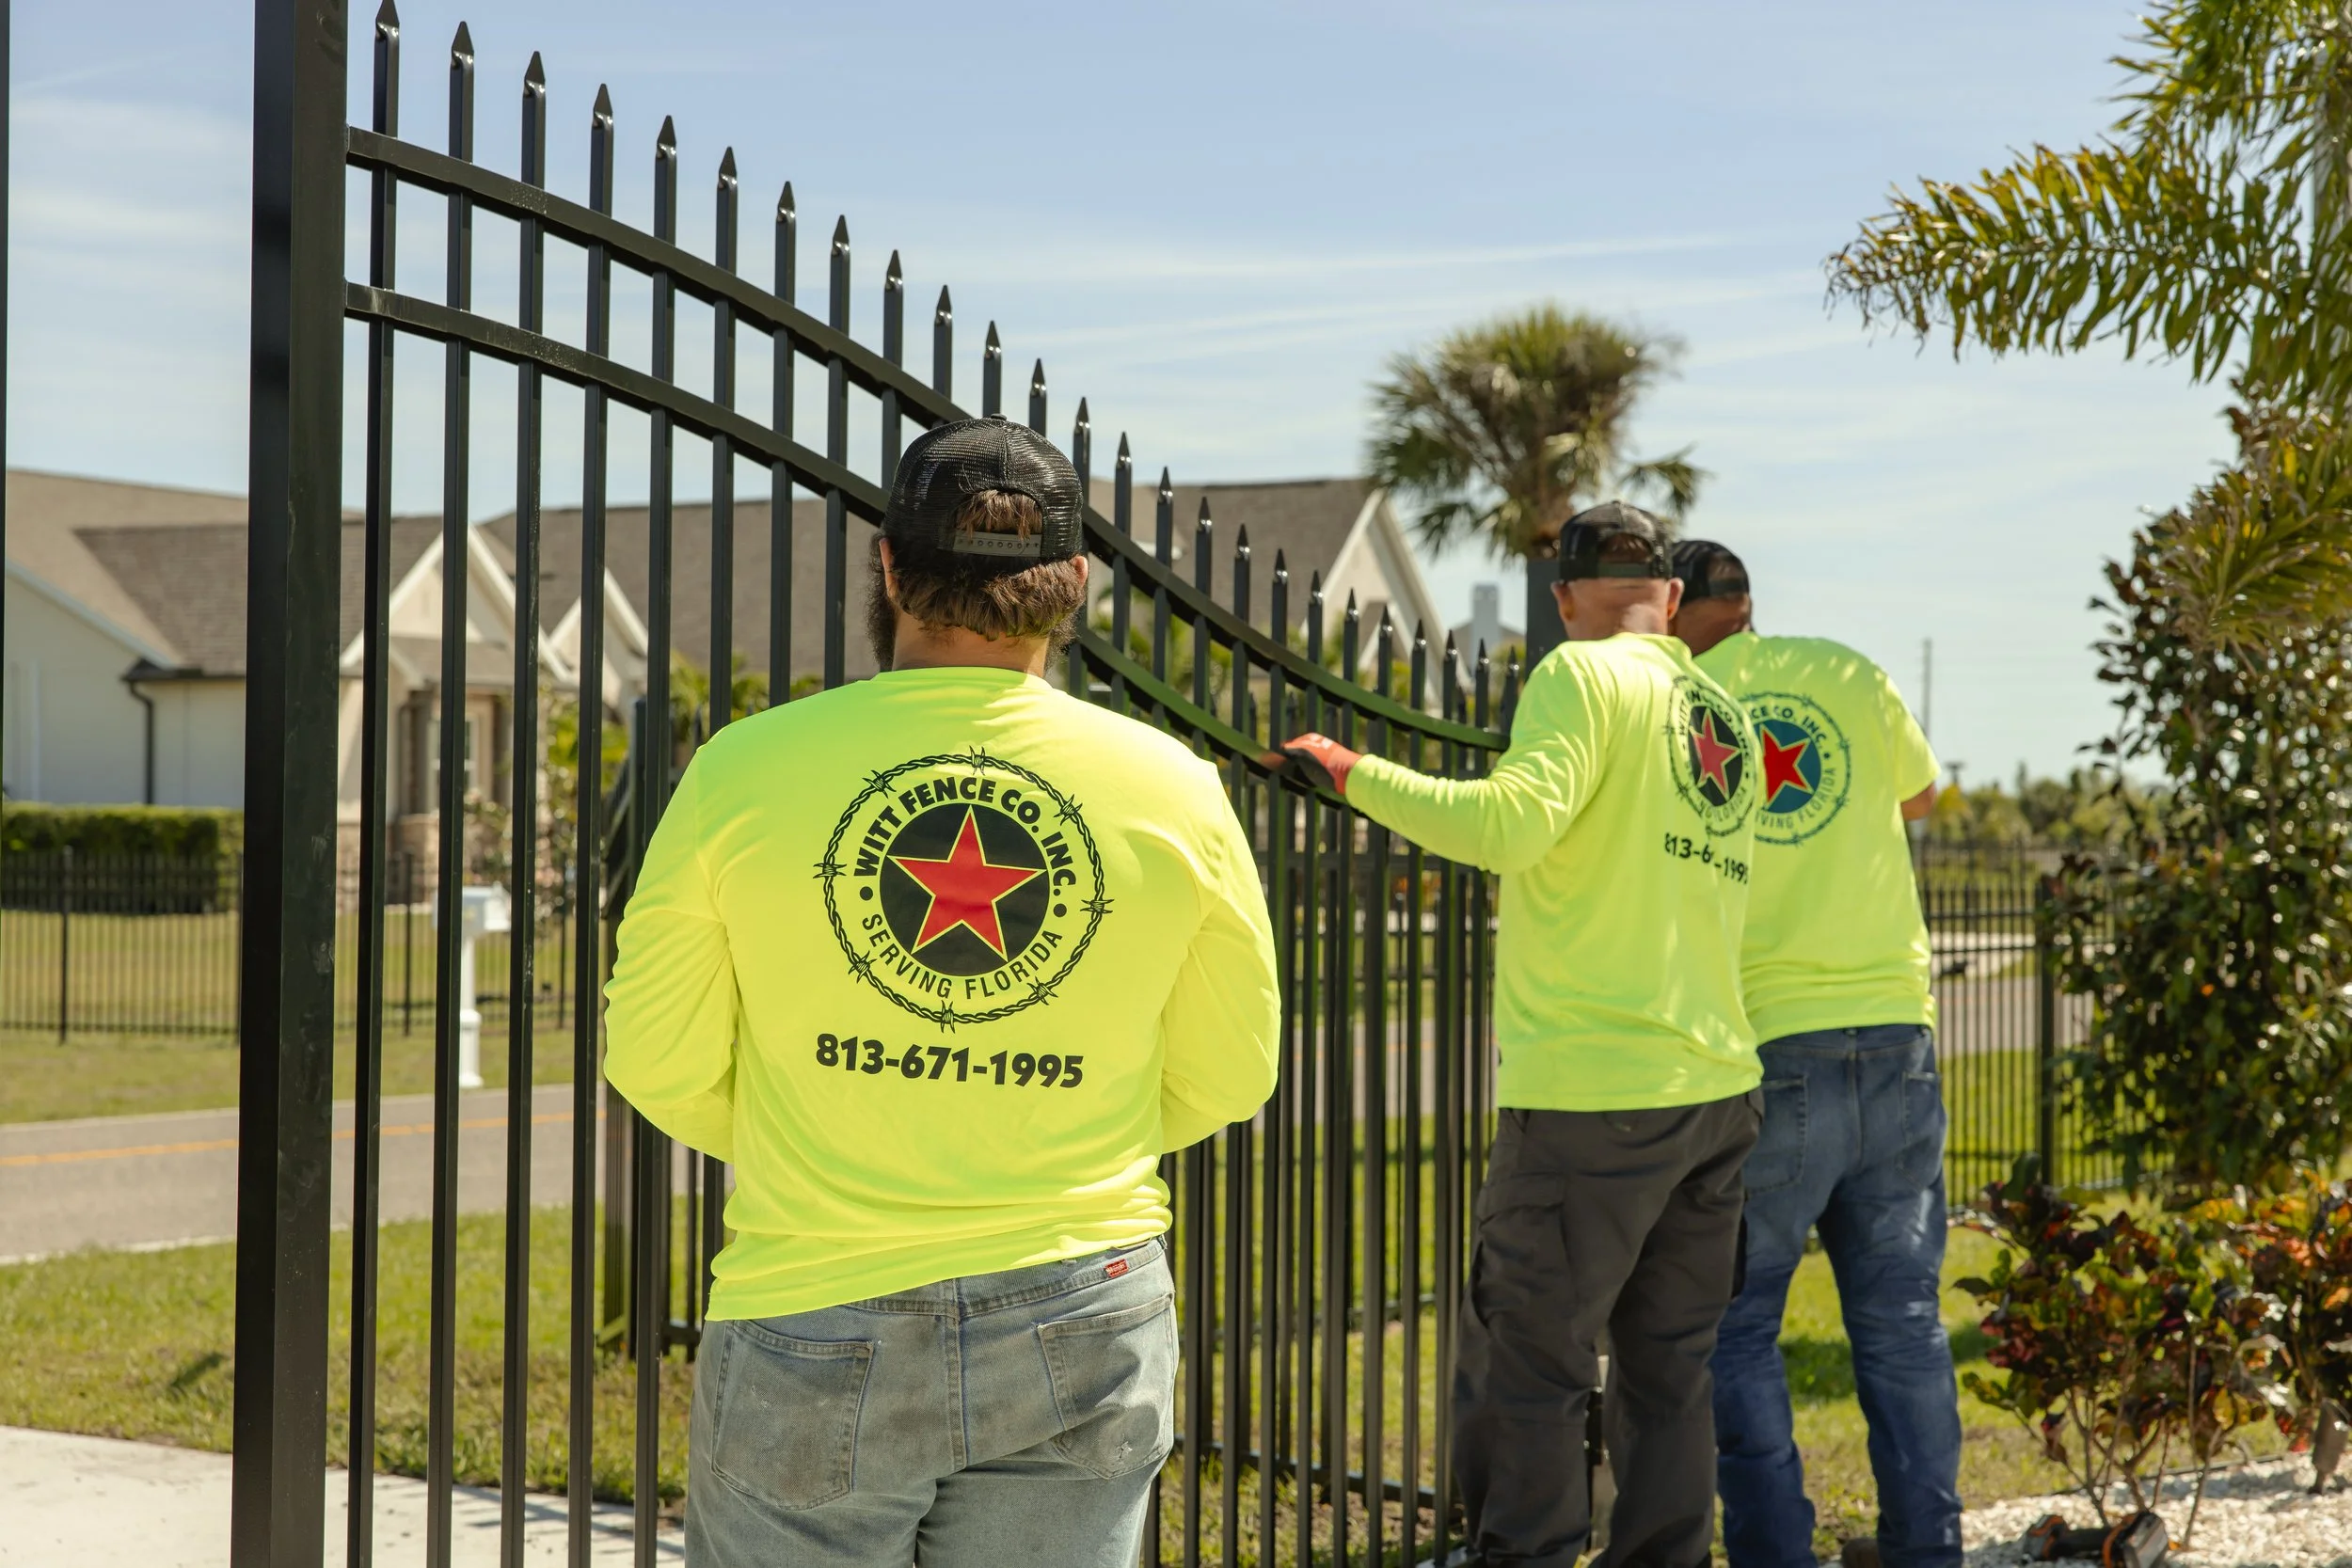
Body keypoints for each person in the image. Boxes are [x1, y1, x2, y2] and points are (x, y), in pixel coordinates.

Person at [603, 414, 1282, 1568]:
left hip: (812, 1297)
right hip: (1088, 1293)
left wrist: (811, 1124)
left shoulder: (742, 770)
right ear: (1074, 585)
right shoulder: (1174, 788)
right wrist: (1047, 1123)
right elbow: (1230, 1070)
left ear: (885, 564)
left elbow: (654, 1055)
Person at [1281, 500, 1763, 1568]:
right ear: (1672, 598)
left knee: (1537, 1368)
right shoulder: (1718, 713)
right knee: (1668, 1372)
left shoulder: (1581, 674)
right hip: (1718, 1089)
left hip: (1595, 1093)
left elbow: (1507, 825)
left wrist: (1350, 770)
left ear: (1562, 601)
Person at [1671, 540, 1959, 1568]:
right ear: (1748, 603)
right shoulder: (1849, 669)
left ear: (1672, 607)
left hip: (1772, 1042)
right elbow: (1918, 796)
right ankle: (1928, 1549)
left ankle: (1773, 1553)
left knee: (1738, 1323)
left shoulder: (1681, 701)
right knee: (1900, 1318)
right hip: (1896, 1030)